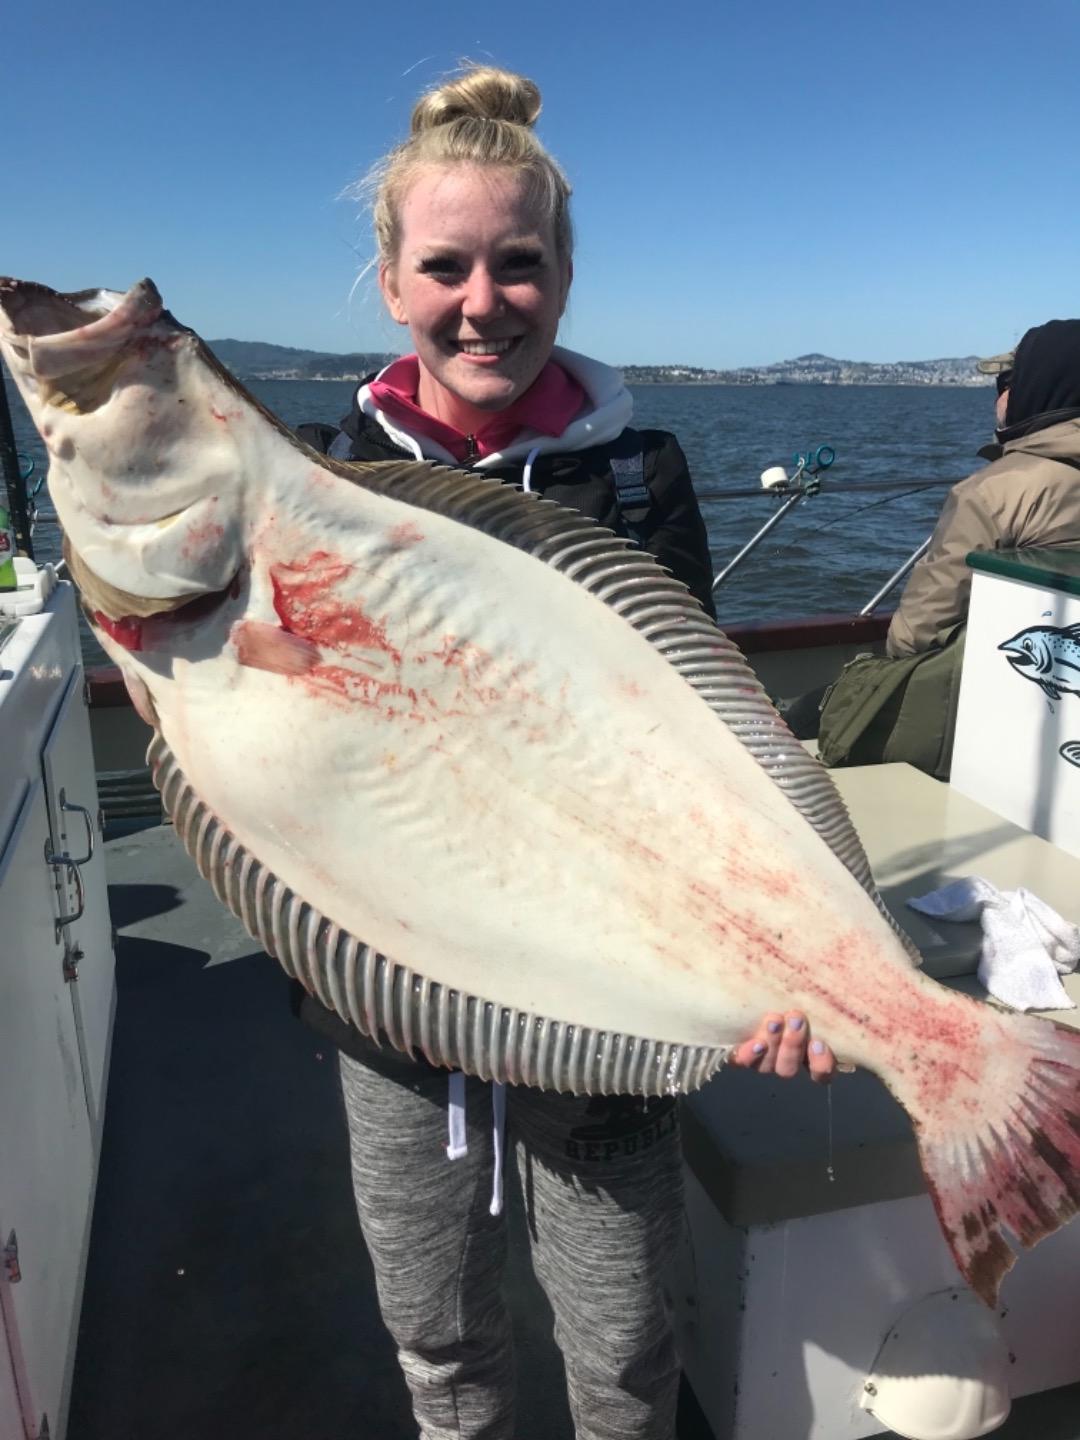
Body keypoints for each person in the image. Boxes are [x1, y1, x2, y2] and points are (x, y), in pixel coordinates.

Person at [297, 63, 835, 1440]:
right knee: (439, 1334)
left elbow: (706, 741)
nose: (484, 301)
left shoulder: (641, 470)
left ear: (567, 273)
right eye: (446, 266)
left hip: (606, 987)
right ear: (391, 282)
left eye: (520, 265)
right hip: (393, 997)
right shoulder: (316, 476)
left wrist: (787, 956)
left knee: (624, 1336)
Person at [887, 319, 1080, 657]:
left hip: (1006, 694)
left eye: (1007, 383)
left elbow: (913, 638)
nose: (1000, 398)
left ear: (1039, 387)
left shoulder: (991, 497)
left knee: (812, 706)